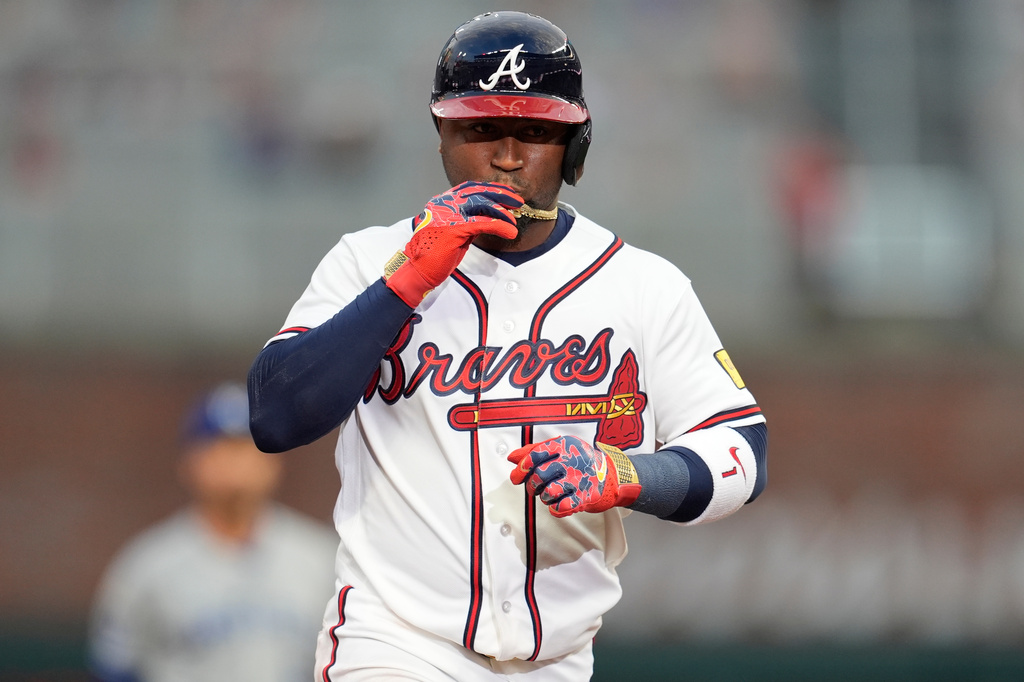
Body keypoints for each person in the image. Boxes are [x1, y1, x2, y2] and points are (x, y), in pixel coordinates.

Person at [247, 11, 768, 681]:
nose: (508, 155)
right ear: (442, 133)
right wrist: (405, 282)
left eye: (534, 131)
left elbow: (740, 451)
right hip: (395, 641)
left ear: (574, 144)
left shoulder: (641, 284)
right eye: (482, 128)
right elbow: (275, 415)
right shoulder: (367, 261)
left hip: (557, 658)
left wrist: (628, 474)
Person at [87, 382, 338, 682]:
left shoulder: (323, 559)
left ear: (275, 461)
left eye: (246, 447)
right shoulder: (146, 565)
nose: (233, 462)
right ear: (188, 462)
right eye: (217, 447)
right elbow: (116, 667)